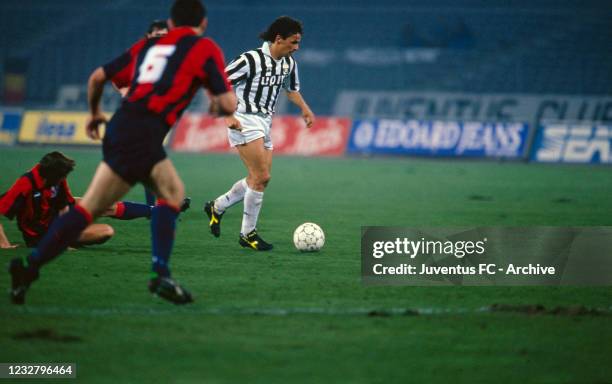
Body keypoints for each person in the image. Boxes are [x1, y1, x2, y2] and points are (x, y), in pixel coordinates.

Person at [8, 0, 236, 305]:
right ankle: (161, 275)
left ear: (170, 23)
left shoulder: (147, 46)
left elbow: (97, 78)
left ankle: (29, 269)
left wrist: (93, 113)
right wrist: (218, 104)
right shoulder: (205, 48)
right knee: (167, 195)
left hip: (121, 127)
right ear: (203, 23)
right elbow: (229, 104)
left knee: (101, 204)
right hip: (144, 133)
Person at [203, 16, 315, 251]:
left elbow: (291, 90)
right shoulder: (250, 59)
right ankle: (247, 234)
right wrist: (227, 116)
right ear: (278, 39)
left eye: (298, 43)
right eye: (293, 42)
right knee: (261, 177)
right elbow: (218, 84)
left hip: (265, 122)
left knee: (258, 180)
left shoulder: (288, 63)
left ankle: (218, 206)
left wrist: (304, 109)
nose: (296, 48)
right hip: (243, 119)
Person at [0, 151, 153, 249]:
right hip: (41, 236)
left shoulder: (56, 178)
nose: (64, 179)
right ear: (51, 176)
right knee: (106, 231)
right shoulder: (26, 184)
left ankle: (155, 211)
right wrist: (4, 244)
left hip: (55, 219)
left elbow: (64, 207)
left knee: (102, 204)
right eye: (62, 176)